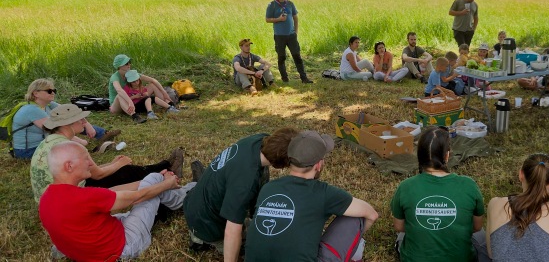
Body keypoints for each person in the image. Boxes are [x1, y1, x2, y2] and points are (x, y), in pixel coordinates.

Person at [39, 141, 195, 262]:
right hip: (124, 247)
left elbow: (110, 193)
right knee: (154, 180)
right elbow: (139, 196)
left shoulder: (47, 198)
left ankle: (180, 191)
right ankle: (191, 196)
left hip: (91, 247)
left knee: (153, 182)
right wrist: (163, 183)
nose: (91, 163)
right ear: (69, 166)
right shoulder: (85, 197)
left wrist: (152, 182)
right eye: (86, 158)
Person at [244, 130, 379, 261]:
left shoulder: (268, 188)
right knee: (355, 218)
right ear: (319, 165)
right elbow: (371, 214)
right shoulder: (323, 193)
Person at [184, 128, 299, 262]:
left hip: (195, 202)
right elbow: (232, 231)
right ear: (282, 164)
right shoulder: (244, 183)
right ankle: (199, 238)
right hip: (206, 224)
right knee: (259, 245)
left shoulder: (259, 140)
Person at [30, 104, 184, 203]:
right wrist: (119, 163)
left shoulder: (49, 142)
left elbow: (87, 169)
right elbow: (98, 175)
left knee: (119, 169)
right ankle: (164, 173)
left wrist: (112, 164)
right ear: (69, 124)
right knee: (125, 172)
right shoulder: (71, 147)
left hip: (49, 199)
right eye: (80, 119)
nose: (84, 122)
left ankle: (162, 168)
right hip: (69, 198)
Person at [391, 127, 485, 261]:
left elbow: (399, 226)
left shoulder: (405, 186)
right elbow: (477, 227)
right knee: (482, 234)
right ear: (447, 155)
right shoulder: (469, 185)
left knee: (401, 236)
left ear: (419, 155)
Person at [12, 79, 119, 159]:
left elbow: (73, 112)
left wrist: (87, 124)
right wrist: (81, 142)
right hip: (27, 151)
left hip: (44, 142)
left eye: (54, 90)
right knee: (69, 147)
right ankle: (93, 149)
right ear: (36, 93)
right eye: (49, 91)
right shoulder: (31, 109)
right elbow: (55, 131)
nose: (53, 93)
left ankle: (102, 135)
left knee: (73, 121)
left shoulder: (48, 104)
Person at [109, 54, 178, 124]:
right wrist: (129, 101)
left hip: (133, 101)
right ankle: (135, 116)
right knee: (119, 95)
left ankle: (169, 105)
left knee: (152, 85)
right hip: (117, 106)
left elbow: (153, 80)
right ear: (120, 66)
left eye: (129, 62)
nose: (129, 64)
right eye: (126, 63)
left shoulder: (131, 74)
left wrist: (164, 93)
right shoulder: (115, 77)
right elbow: (119, 90)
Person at [265, 0, 313, 84]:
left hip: (291, 35)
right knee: (281, 57)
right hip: (279, 36)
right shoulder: (272, 5)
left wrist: (295, 31)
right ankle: (284, 77)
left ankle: (304, 78)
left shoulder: (290, 4)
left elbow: (295, 18)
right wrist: (278, 19)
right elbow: (267, 19)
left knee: (297, 56)